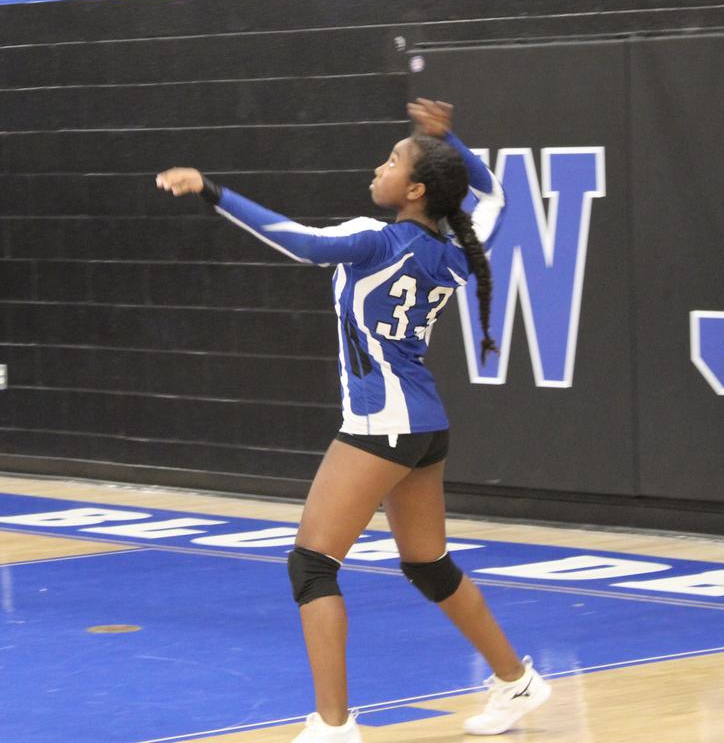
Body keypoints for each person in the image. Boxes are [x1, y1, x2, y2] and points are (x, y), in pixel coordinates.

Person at [156, 98, 551, 741]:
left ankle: (333, 726)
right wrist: (450, 141)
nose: (379, 166)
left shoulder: (376, 240)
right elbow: (497, 195)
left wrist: (212, 190)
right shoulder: (454, 250)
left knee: (312, 565)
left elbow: (301, 243)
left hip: (381, 425)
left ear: (416, 190)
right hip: (423, 426)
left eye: (393, 160)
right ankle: (516, 681)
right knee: (428, 565)